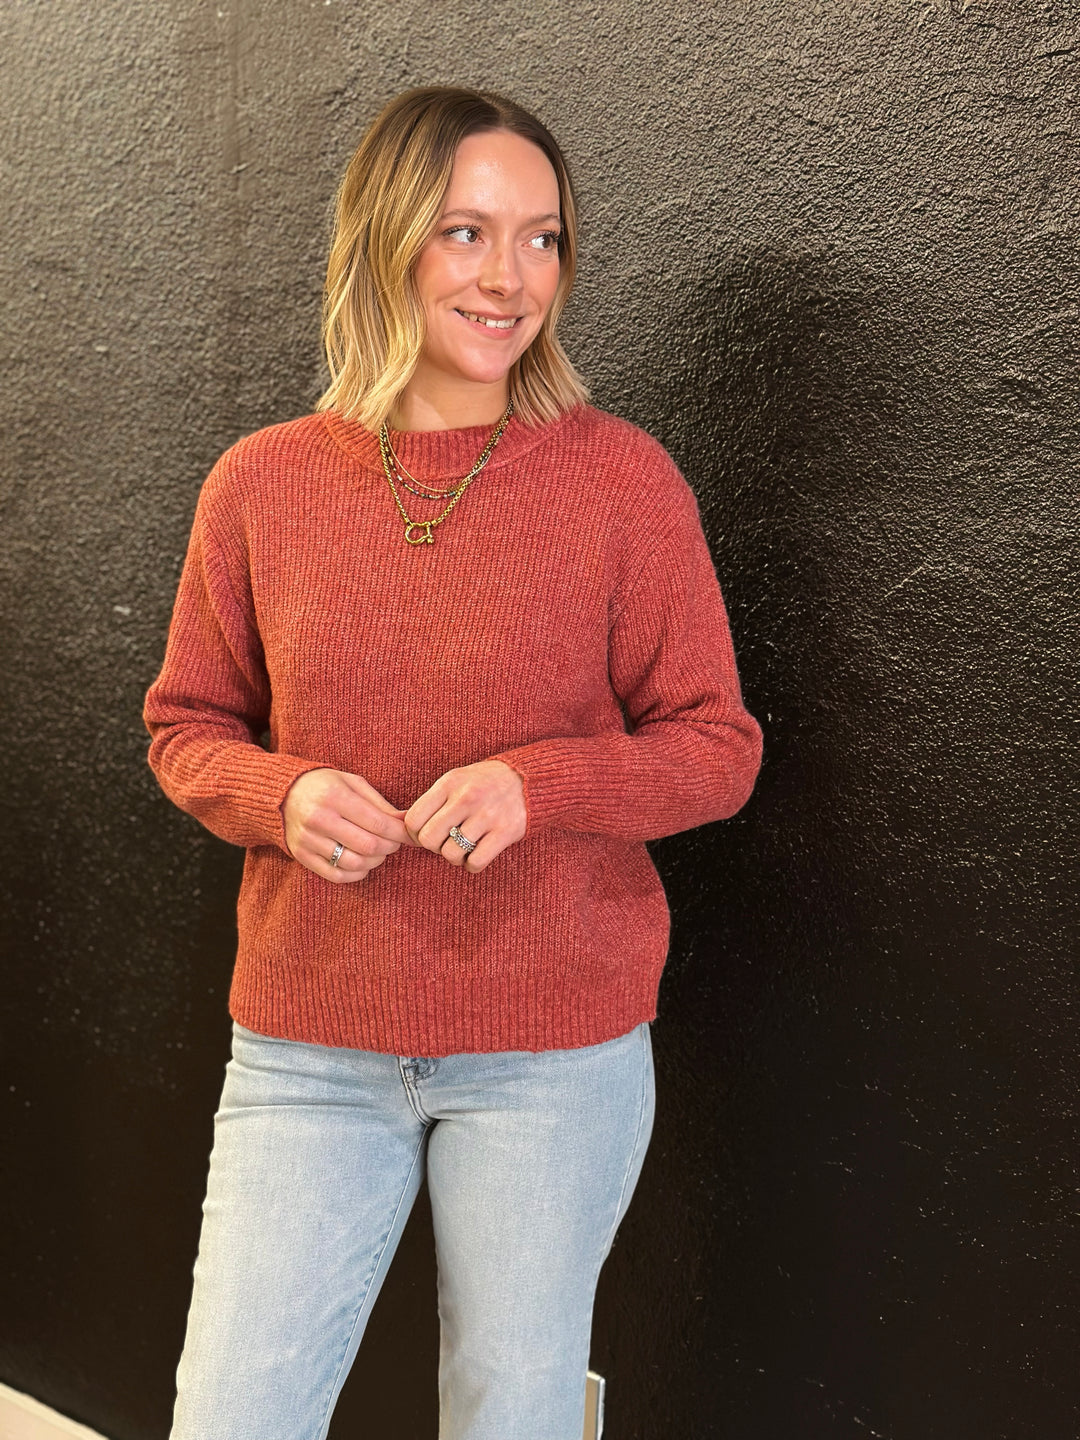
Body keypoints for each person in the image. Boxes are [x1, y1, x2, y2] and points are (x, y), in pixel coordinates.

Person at [143, 84, 762, 1440]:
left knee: (511, 1413)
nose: (510, 278)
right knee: (233, 1412)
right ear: (387, 241)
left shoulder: (621, 482)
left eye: (542, 239)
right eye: (467, 232)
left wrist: (541, 786)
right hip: (310, 1043)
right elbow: (186, 727)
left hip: (552, 1051)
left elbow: (717, 748)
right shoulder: (260, 485)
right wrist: (284, 795)